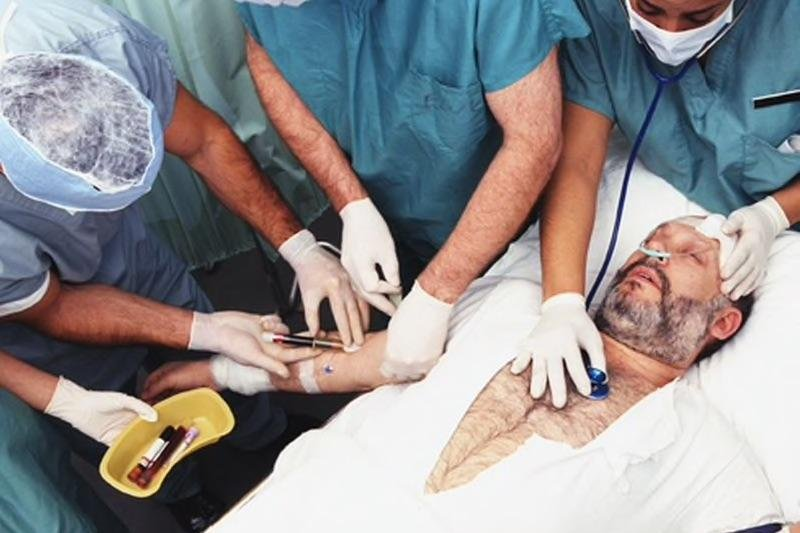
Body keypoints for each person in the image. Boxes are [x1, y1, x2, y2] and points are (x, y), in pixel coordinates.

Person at [0, 0, 356, 529]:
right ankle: (184, 491)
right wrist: (202, 333)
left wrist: (300, 248)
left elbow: (204, 141)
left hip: (132, 252)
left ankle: (265, 433)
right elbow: (52, 307)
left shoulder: (92, 41)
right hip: (37, 322)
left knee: (219, 353)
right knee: (126, 422)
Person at [208, 215, 780, 533]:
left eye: (690, 256)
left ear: (724, 321)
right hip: (305, 505)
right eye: (650, 244)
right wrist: (222, 370)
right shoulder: (516, 304)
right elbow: (367, 361)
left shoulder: (701, 448)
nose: (653, 257)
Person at [235, 0, 590, 381]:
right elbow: (265, 53)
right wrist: (352, 203)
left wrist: (437, 293)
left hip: (524, 229)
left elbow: (532, 142)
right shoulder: (267, 7)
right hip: (395, 217)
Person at [518, 0, 800, 407]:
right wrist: (562, 301)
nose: (671, 32)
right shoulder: (599, 16)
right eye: (649, 9)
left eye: (698, 17)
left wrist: (775, 213)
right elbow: (578, 164)